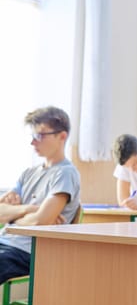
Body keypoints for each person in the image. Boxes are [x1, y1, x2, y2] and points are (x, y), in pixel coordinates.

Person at [0, 106, 80, 284]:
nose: (33, 142)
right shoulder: (28, 172)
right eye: (32, 136)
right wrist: (28, 209)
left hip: (28, 252)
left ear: (62, 136)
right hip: (5, 243)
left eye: (40, 135)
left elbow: (40, 221)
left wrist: (12, 219)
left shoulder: (65, 173)